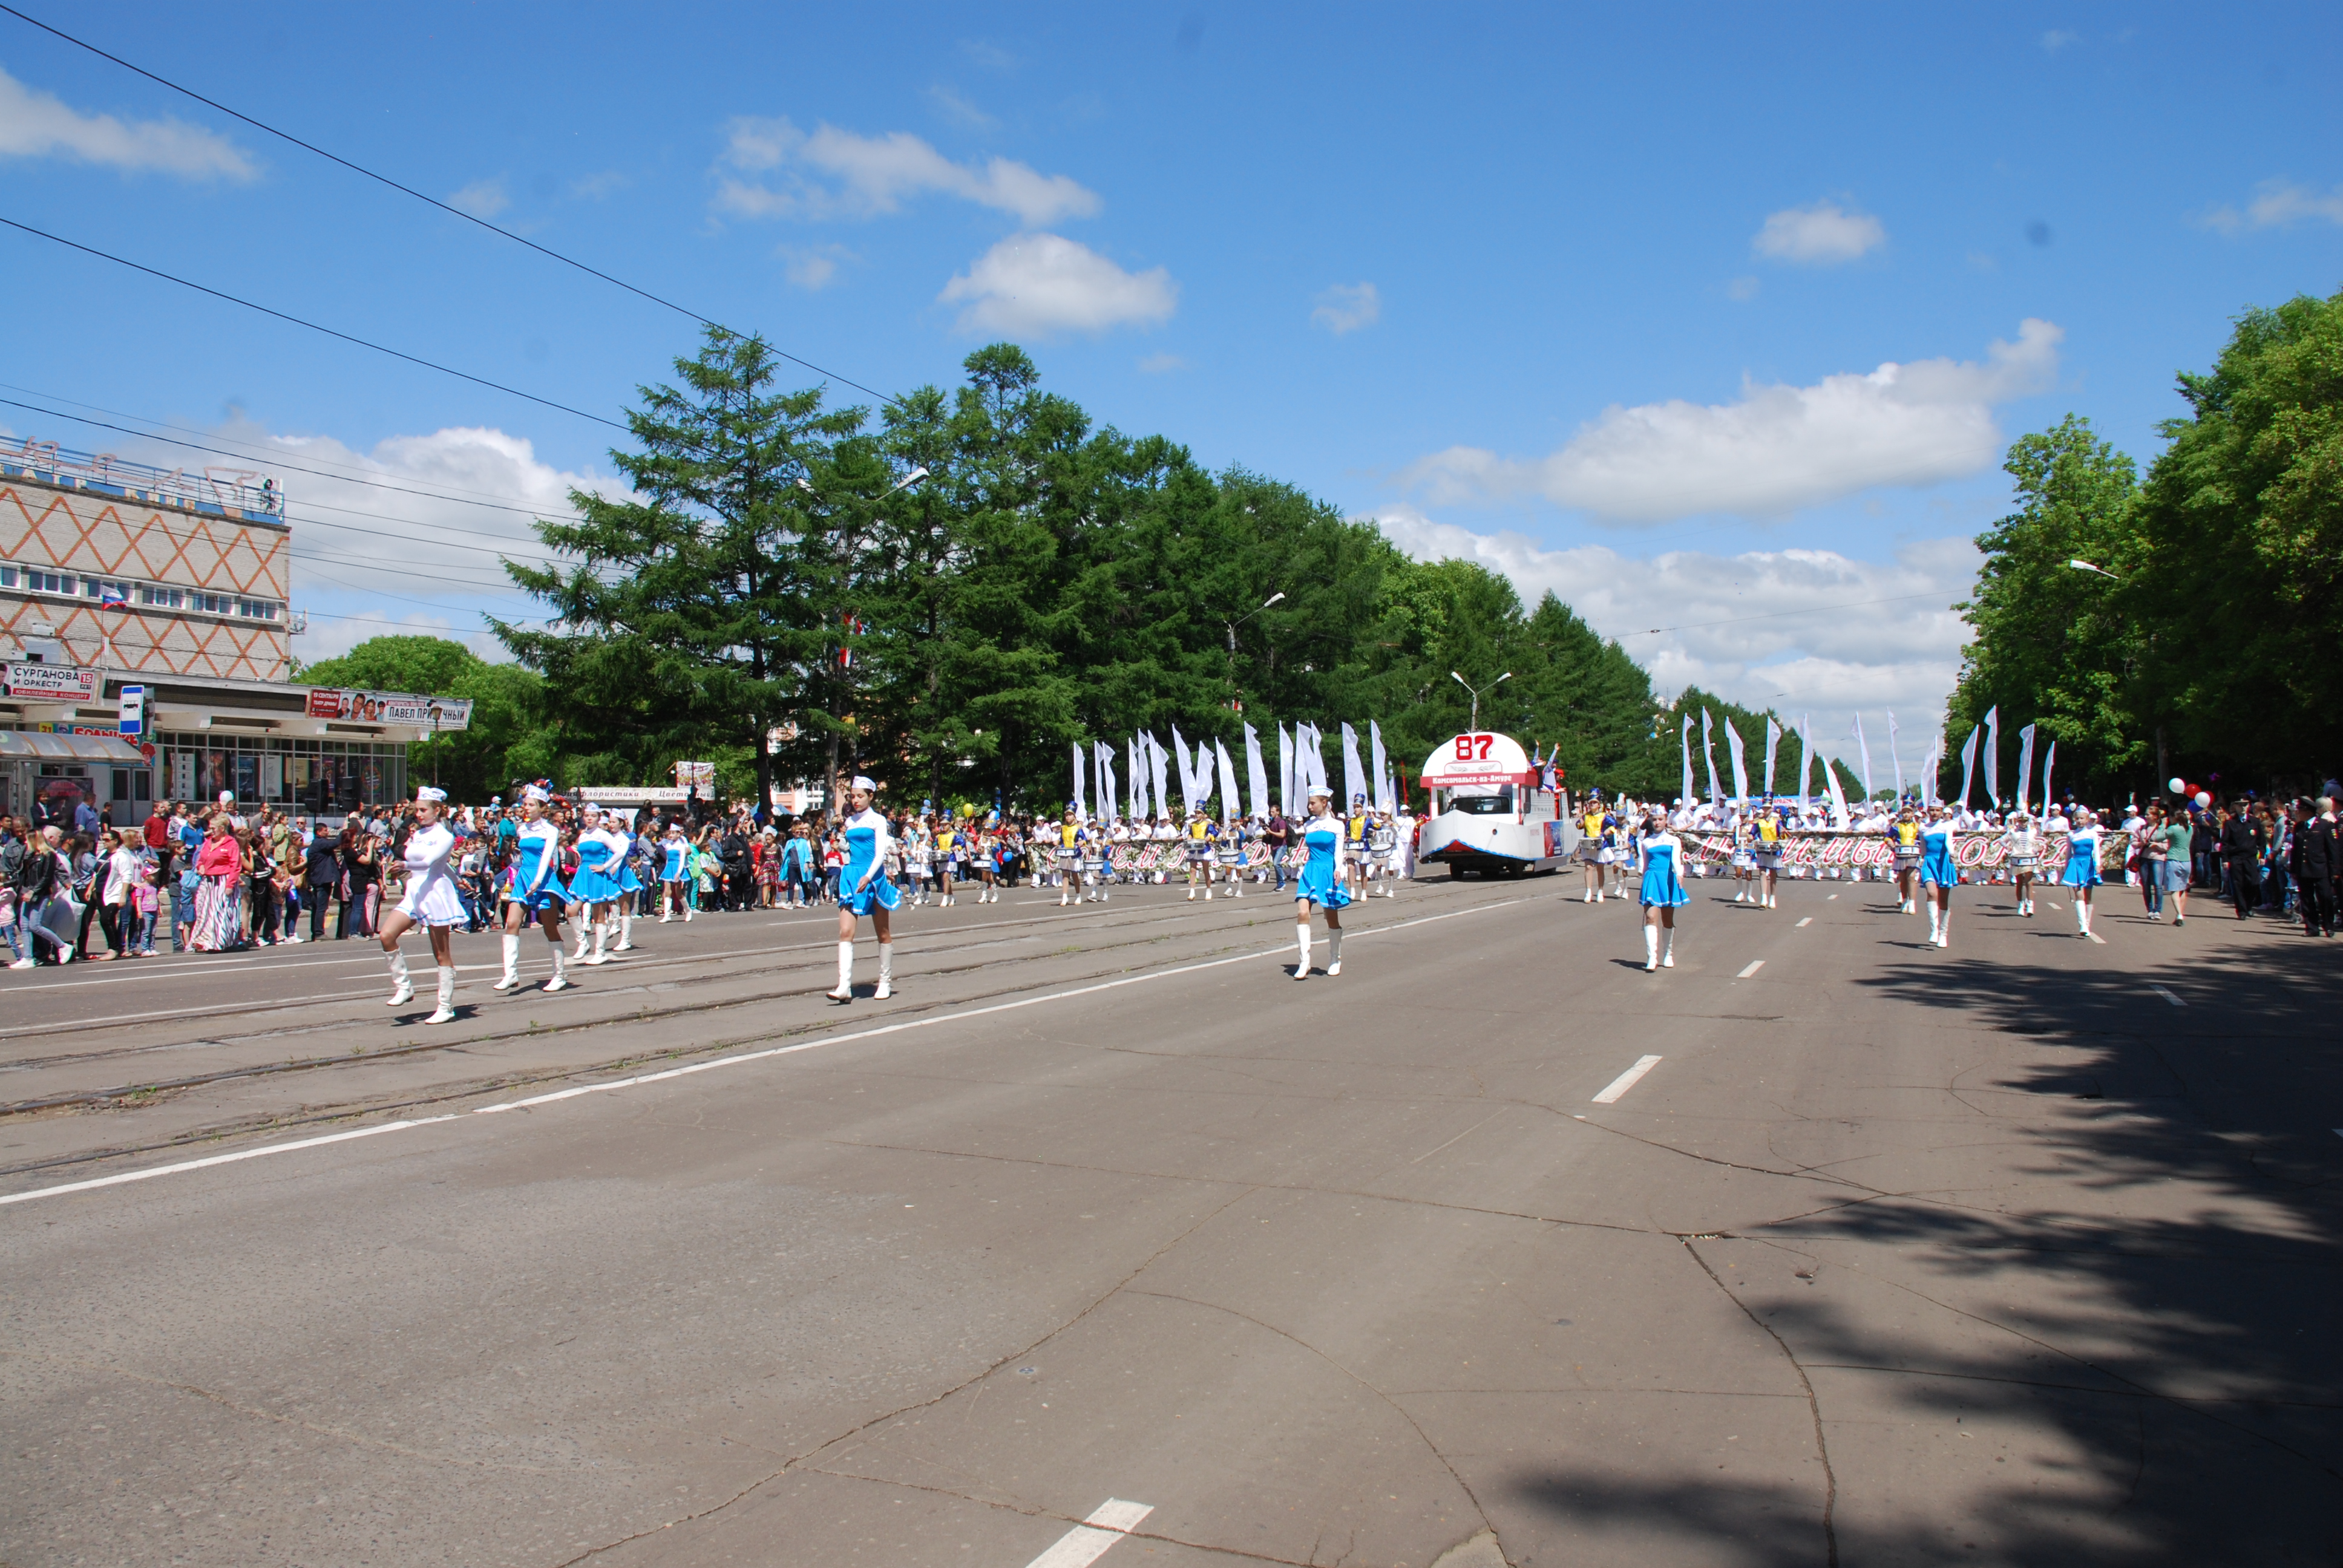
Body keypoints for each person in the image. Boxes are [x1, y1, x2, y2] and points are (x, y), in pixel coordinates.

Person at [378, 788, 465, 1024]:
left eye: (423, 810)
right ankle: (404, 987)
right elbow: (444, 865)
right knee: (386, 935)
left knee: (441, 954)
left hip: (434, 893)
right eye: (417, 810)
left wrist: (404, 865)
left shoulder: (445, 836)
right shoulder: (418, 834)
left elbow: (430, 862)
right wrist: (458, 878)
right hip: (415, 891)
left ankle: (445, 1007)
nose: (418, 814)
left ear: (437, 811)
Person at [829, 777, 899, 1002]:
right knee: (845, 932)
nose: (856, 800)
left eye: (861, 796)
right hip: (851, 875)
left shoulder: (878, 820)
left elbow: (879, 853)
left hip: (873, 877)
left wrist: (869, 876)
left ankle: (885, 982)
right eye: (853, 796)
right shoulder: (850, 822)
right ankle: (844, 986)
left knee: (883, 932)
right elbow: (850, 848)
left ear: (871, 796)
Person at [495, 786, 572, 993]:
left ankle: (559, 975)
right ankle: (510, 974)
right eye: (525, 804)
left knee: (549, 927)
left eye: (531, 805)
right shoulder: (522, 829)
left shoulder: (550, 830)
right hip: (524, 878)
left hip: (543, 879)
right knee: (512, 923)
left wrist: (538, 881)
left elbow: (547, 857)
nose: (526, 808)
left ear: (542, 808)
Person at [1291, 785, 1349, 980]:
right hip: (1310, 870)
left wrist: (1338, 869)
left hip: (1328, 871)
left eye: (1312, 803)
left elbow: (1339, 851)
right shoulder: (1309, 825)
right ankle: (1304, 961)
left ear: (1324, 803)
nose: (1309, 807)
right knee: (1302, 912)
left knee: (1331, 917)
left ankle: (1335, 959)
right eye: (1309, 803)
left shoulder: (1337, 825)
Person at [1635, 808, 1689, 971]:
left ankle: (1668, 954)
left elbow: (1676, 859)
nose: (1657, 822)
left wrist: (1679, 874)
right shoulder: (1646, 842)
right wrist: (1644, 883)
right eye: (1654, 819)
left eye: (1660, 819)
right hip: (1652, 879)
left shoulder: (1673, 840)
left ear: (1666, 820)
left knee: (1667, 919)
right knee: (1650, 917)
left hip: (1667, 879)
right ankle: (1652, 957)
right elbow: (1645, 864)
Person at [1918, 805, 1958, 948]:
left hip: (1944, 862)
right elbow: (1923, 846)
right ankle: (1934, 929)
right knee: (1931, 893)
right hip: (1929, 862)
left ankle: (1943, 934)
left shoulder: (1946, 826)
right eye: (1932, 810)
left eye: (1937, 810)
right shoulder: (1923, 827)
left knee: (1943, 900)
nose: (1934, 813)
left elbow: (1948, 842)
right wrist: (1921, 858)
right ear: (1928, 812)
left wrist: (1952, 854)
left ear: (1941, 812)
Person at [2062, 806, 2105, 937]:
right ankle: (2083, 925)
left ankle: (2087, 922)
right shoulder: (2071, 835)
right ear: (2074, 820)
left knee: (2089, 896)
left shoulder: (2092, 834)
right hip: (2076, 863)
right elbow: (2069, 853)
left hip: (2089, 863)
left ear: (2087, 820)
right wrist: (2066, 867)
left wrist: (2098, 865)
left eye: (2082, 818)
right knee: (2079, 893)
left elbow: (2096, 851)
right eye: (2078, 819)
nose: (2080, 821)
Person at [2002, 810, 2040, 916]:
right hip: (2017, 859)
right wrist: (2008, 847)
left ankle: (2030, 906)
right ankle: (2020, 905)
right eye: (2021, 821)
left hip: (2030, 858)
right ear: (2018, 821)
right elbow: (2002, 840)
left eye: (2025, 821)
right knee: (2019, 883)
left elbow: (2040, 840)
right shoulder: (2013, 832)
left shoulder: (2033, 831)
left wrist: (2038, 848)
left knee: (2029, 882)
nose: (2023, 823)